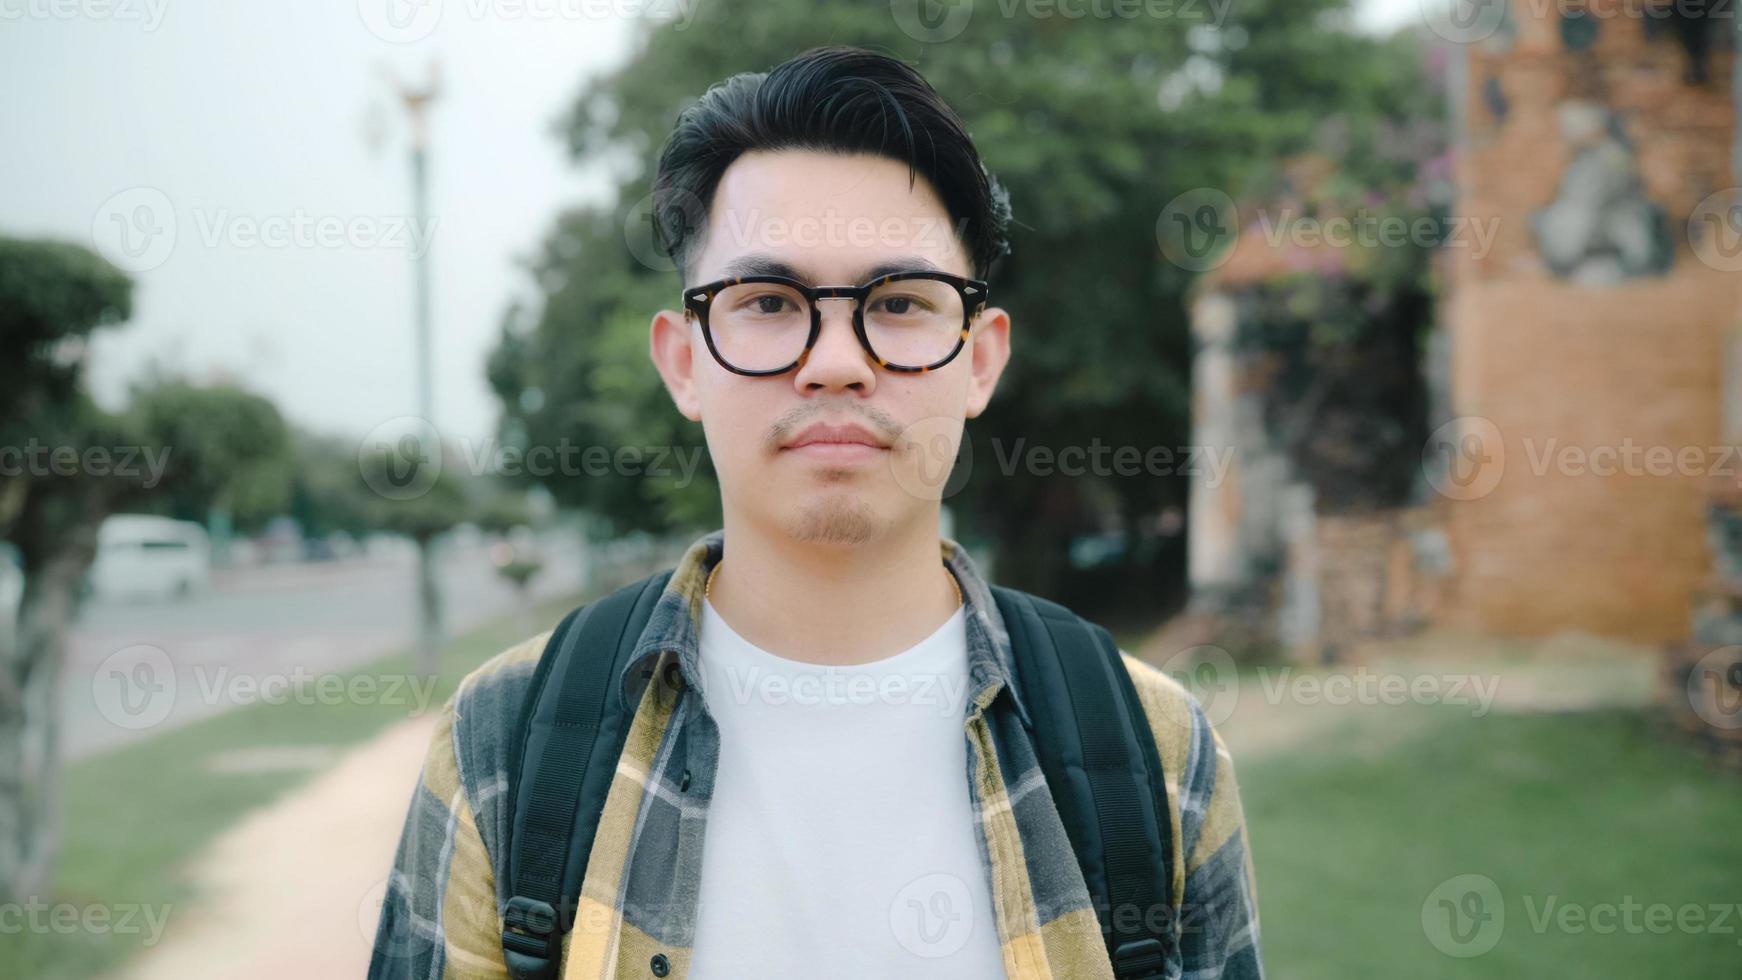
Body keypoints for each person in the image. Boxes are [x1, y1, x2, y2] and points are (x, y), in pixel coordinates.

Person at [370, 44, 1263, 980]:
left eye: (902, 302)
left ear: (982, 359)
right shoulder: (510, 742)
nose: (836, 360)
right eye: (767, 300)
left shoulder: (1150, 753)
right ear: (683, 361)